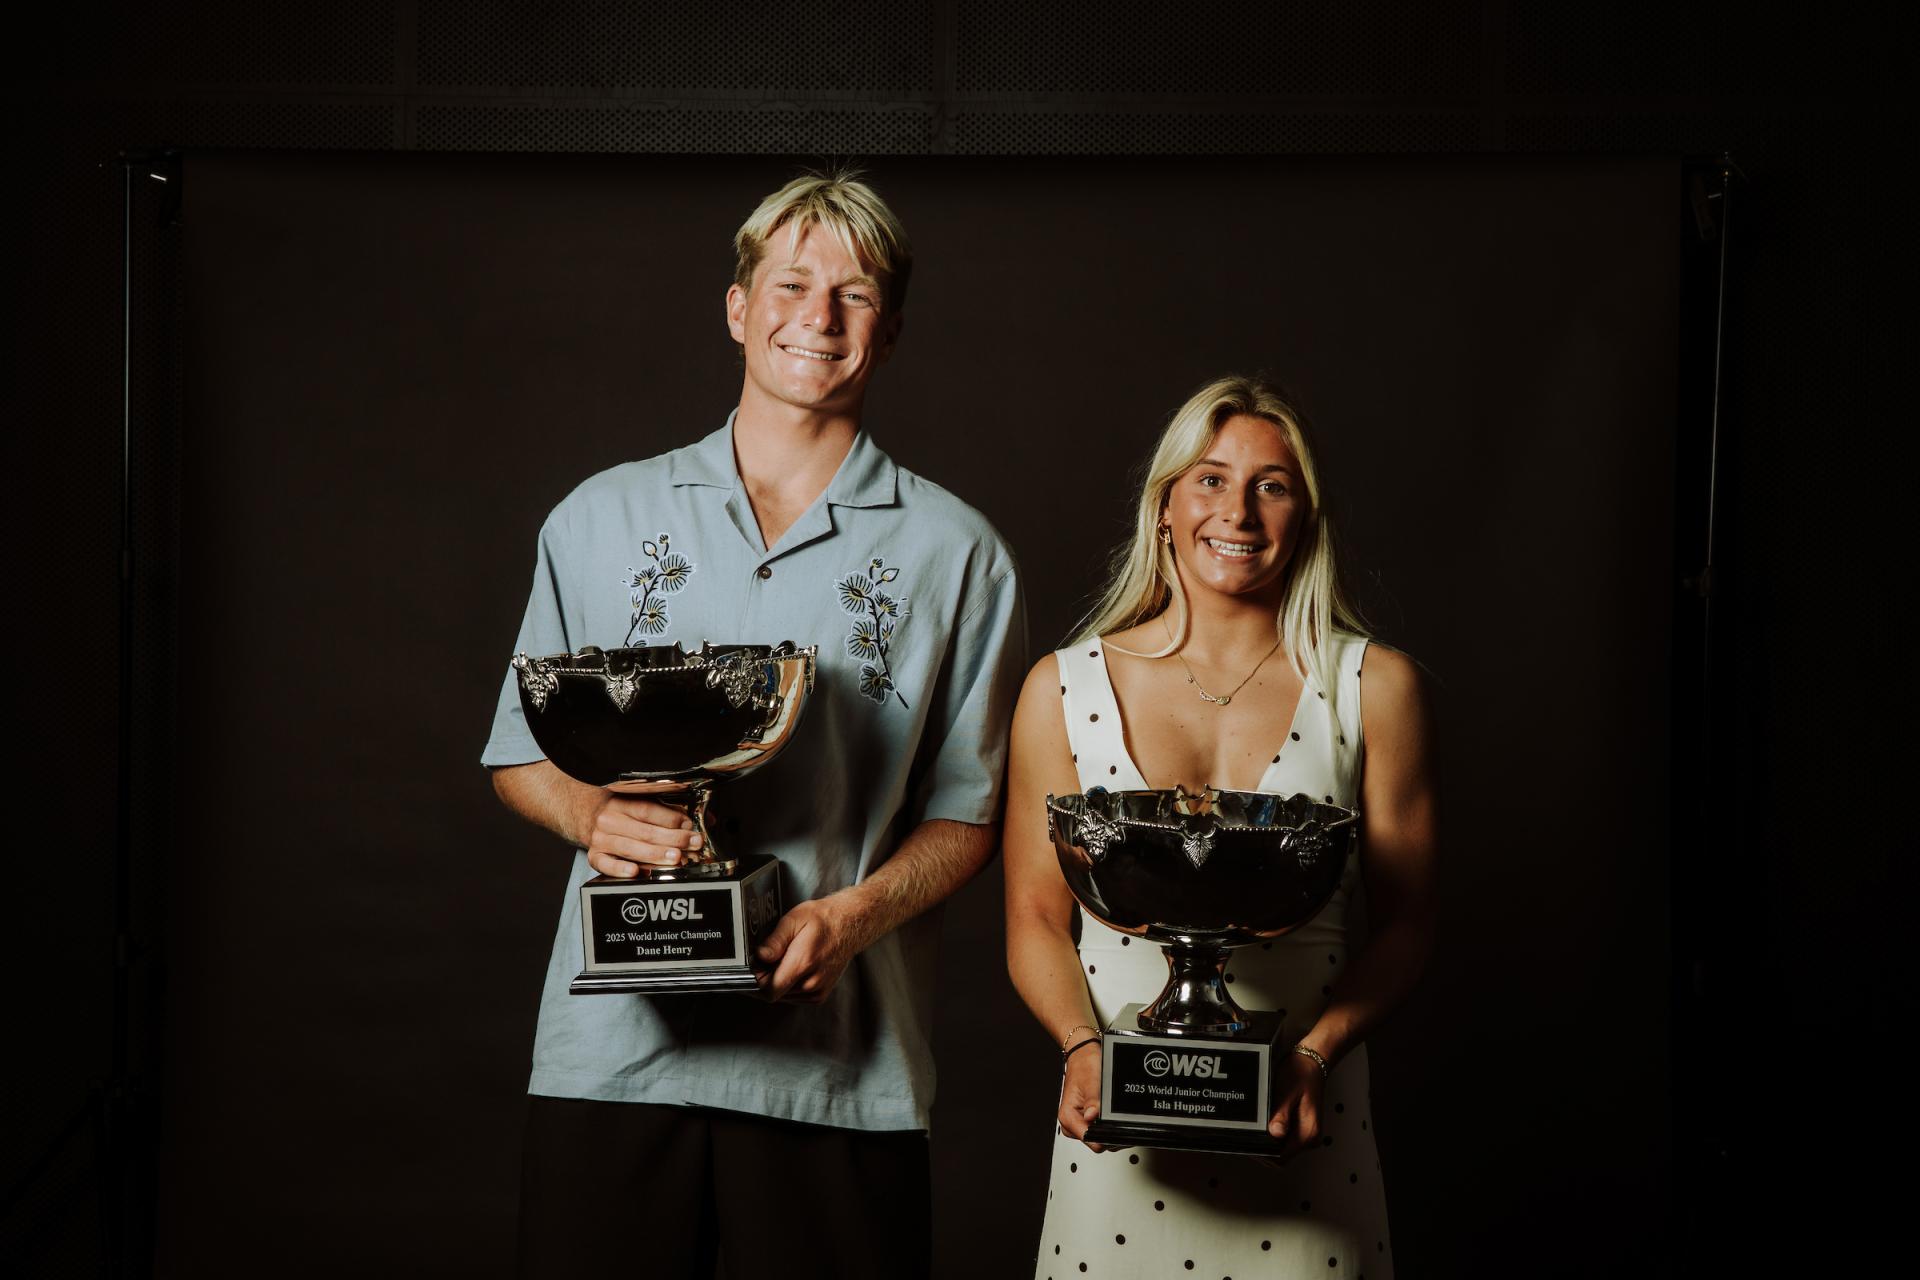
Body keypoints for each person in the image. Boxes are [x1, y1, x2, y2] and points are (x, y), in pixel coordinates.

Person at [482, 169, 1025, 1279]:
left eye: (855, 294)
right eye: (791, 283)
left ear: (890, 331)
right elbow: (518, 752)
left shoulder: (959, 552)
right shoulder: (597, 516)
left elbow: (971, 815)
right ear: (738, 308)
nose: (818, 316)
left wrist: (859, 914)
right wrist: (591, 815)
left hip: (840, 1068)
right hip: (611, 1059)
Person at [1004, 375, 1437, 1277]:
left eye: (1270, 485)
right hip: (1115, 1140)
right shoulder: (1062, 687)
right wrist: (1081, 1048)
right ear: (1164, 507)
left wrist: (1315, 1057)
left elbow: (1408, 925)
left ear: (1303, 517)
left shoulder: (1374, 687)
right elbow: (1036, 918)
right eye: (1210, 479)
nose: (1237, 511)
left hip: (1304, 1124)